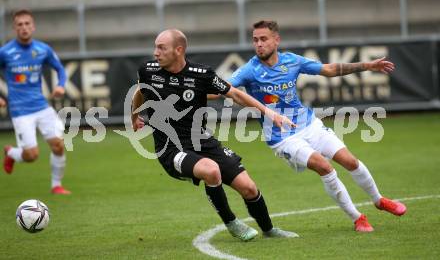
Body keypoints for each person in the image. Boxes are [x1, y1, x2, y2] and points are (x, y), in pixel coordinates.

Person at [224, 20, 406, 232]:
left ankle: (379, 200)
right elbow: (222, 88)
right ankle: (358, 218)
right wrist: (200, 89)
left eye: (263, 39)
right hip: (283, 137)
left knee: (351, 161)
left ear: (276, 40)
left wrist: (367, 66)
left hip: (309, 125)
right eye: (255, 40)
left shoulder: (291, 60)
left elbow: (329, 69)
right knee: (324, 166)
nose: (259, 44)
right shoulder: (249, 70)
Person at [131, 28, 298, 241]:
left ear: (178, 50)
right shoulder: (148, 70)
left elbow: (235, 93)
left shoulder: (201, 74)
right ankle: (232, 222)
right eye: (155, 47)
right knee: (211, 171)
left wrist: (268, 112)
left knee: (248, 188)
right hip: (171, 149)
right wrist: (135, 117)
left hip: (202, 141)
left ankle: (269, 230)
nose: (156, 52)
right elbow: (140, 92)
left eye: (161, 48)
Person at [0, 9, 71, 195]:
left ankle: (56, 185)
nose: (24, 28)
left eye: (27, 24)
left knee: (58, 145)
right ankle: (10, 153)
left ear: (33, 26)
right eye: (20, 24)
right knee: (31, 156)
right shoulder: (5, 52)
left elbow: (59, 68)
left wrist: (61, 85)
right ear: (14, 28)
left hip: (41, 106)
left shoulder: (43, 49)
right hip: (20, 111)